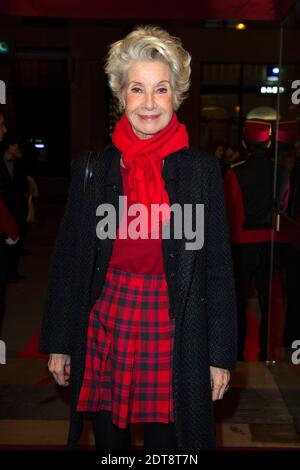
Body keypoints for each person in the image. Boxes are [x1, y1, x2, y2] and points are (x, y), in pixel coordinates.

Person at [40, 26, 237, 451]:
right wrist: (59, 341)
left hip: (175, 323)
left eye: (161, 89)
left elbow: (218, 269)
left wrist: (220, 355)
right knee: (111, 443)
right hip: (106, 320)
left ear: (177, 96)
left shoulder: (201, 173)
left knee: (171, 443)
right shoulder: (94, 169)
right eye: (137, 89)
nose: (149, 103)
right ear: (120, 95)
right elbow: (69, 261)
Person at [224, 119, 289, 361]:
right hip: (270, 243)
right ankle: (266, 353)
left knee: (239, 302)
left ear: (244, 143)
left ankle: (238, 352)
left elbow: (231, 212)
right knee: (267, 303)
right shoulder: (281, 174)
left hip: (242, 244)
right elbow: (282, 208)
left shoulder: (234, 173)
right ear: (269, 142)